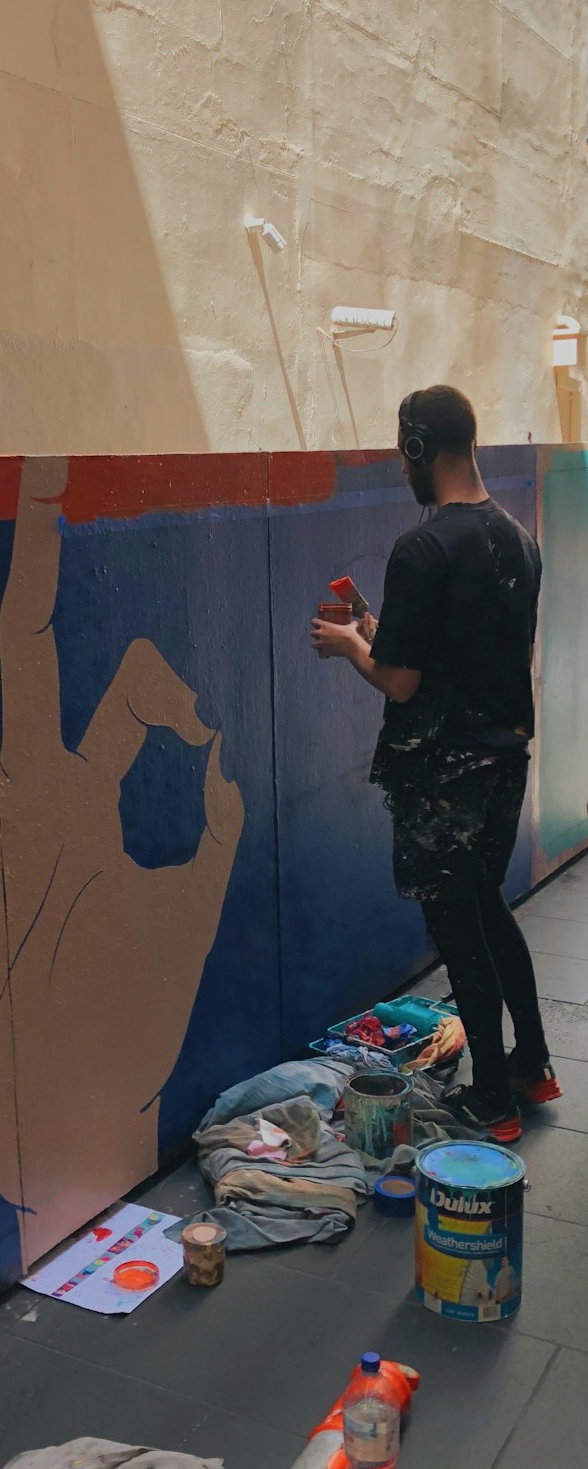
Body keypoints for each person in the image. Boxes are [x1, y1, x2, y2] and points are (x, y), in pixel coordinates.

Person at [310, 385, 562, 1142]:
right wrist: (384, 632)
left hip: (444, 778)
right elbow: (471, 655)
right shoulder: (520, 540)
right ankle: (533, 1062)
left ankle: (492, 1098)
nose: (401, 466)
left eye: (403, 451)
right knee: (487, 907)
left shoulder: (421, 547)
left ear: (419, 449)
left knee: (458, 929)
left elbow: (400, 680)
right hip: (502, 761)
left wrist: (352, 645)